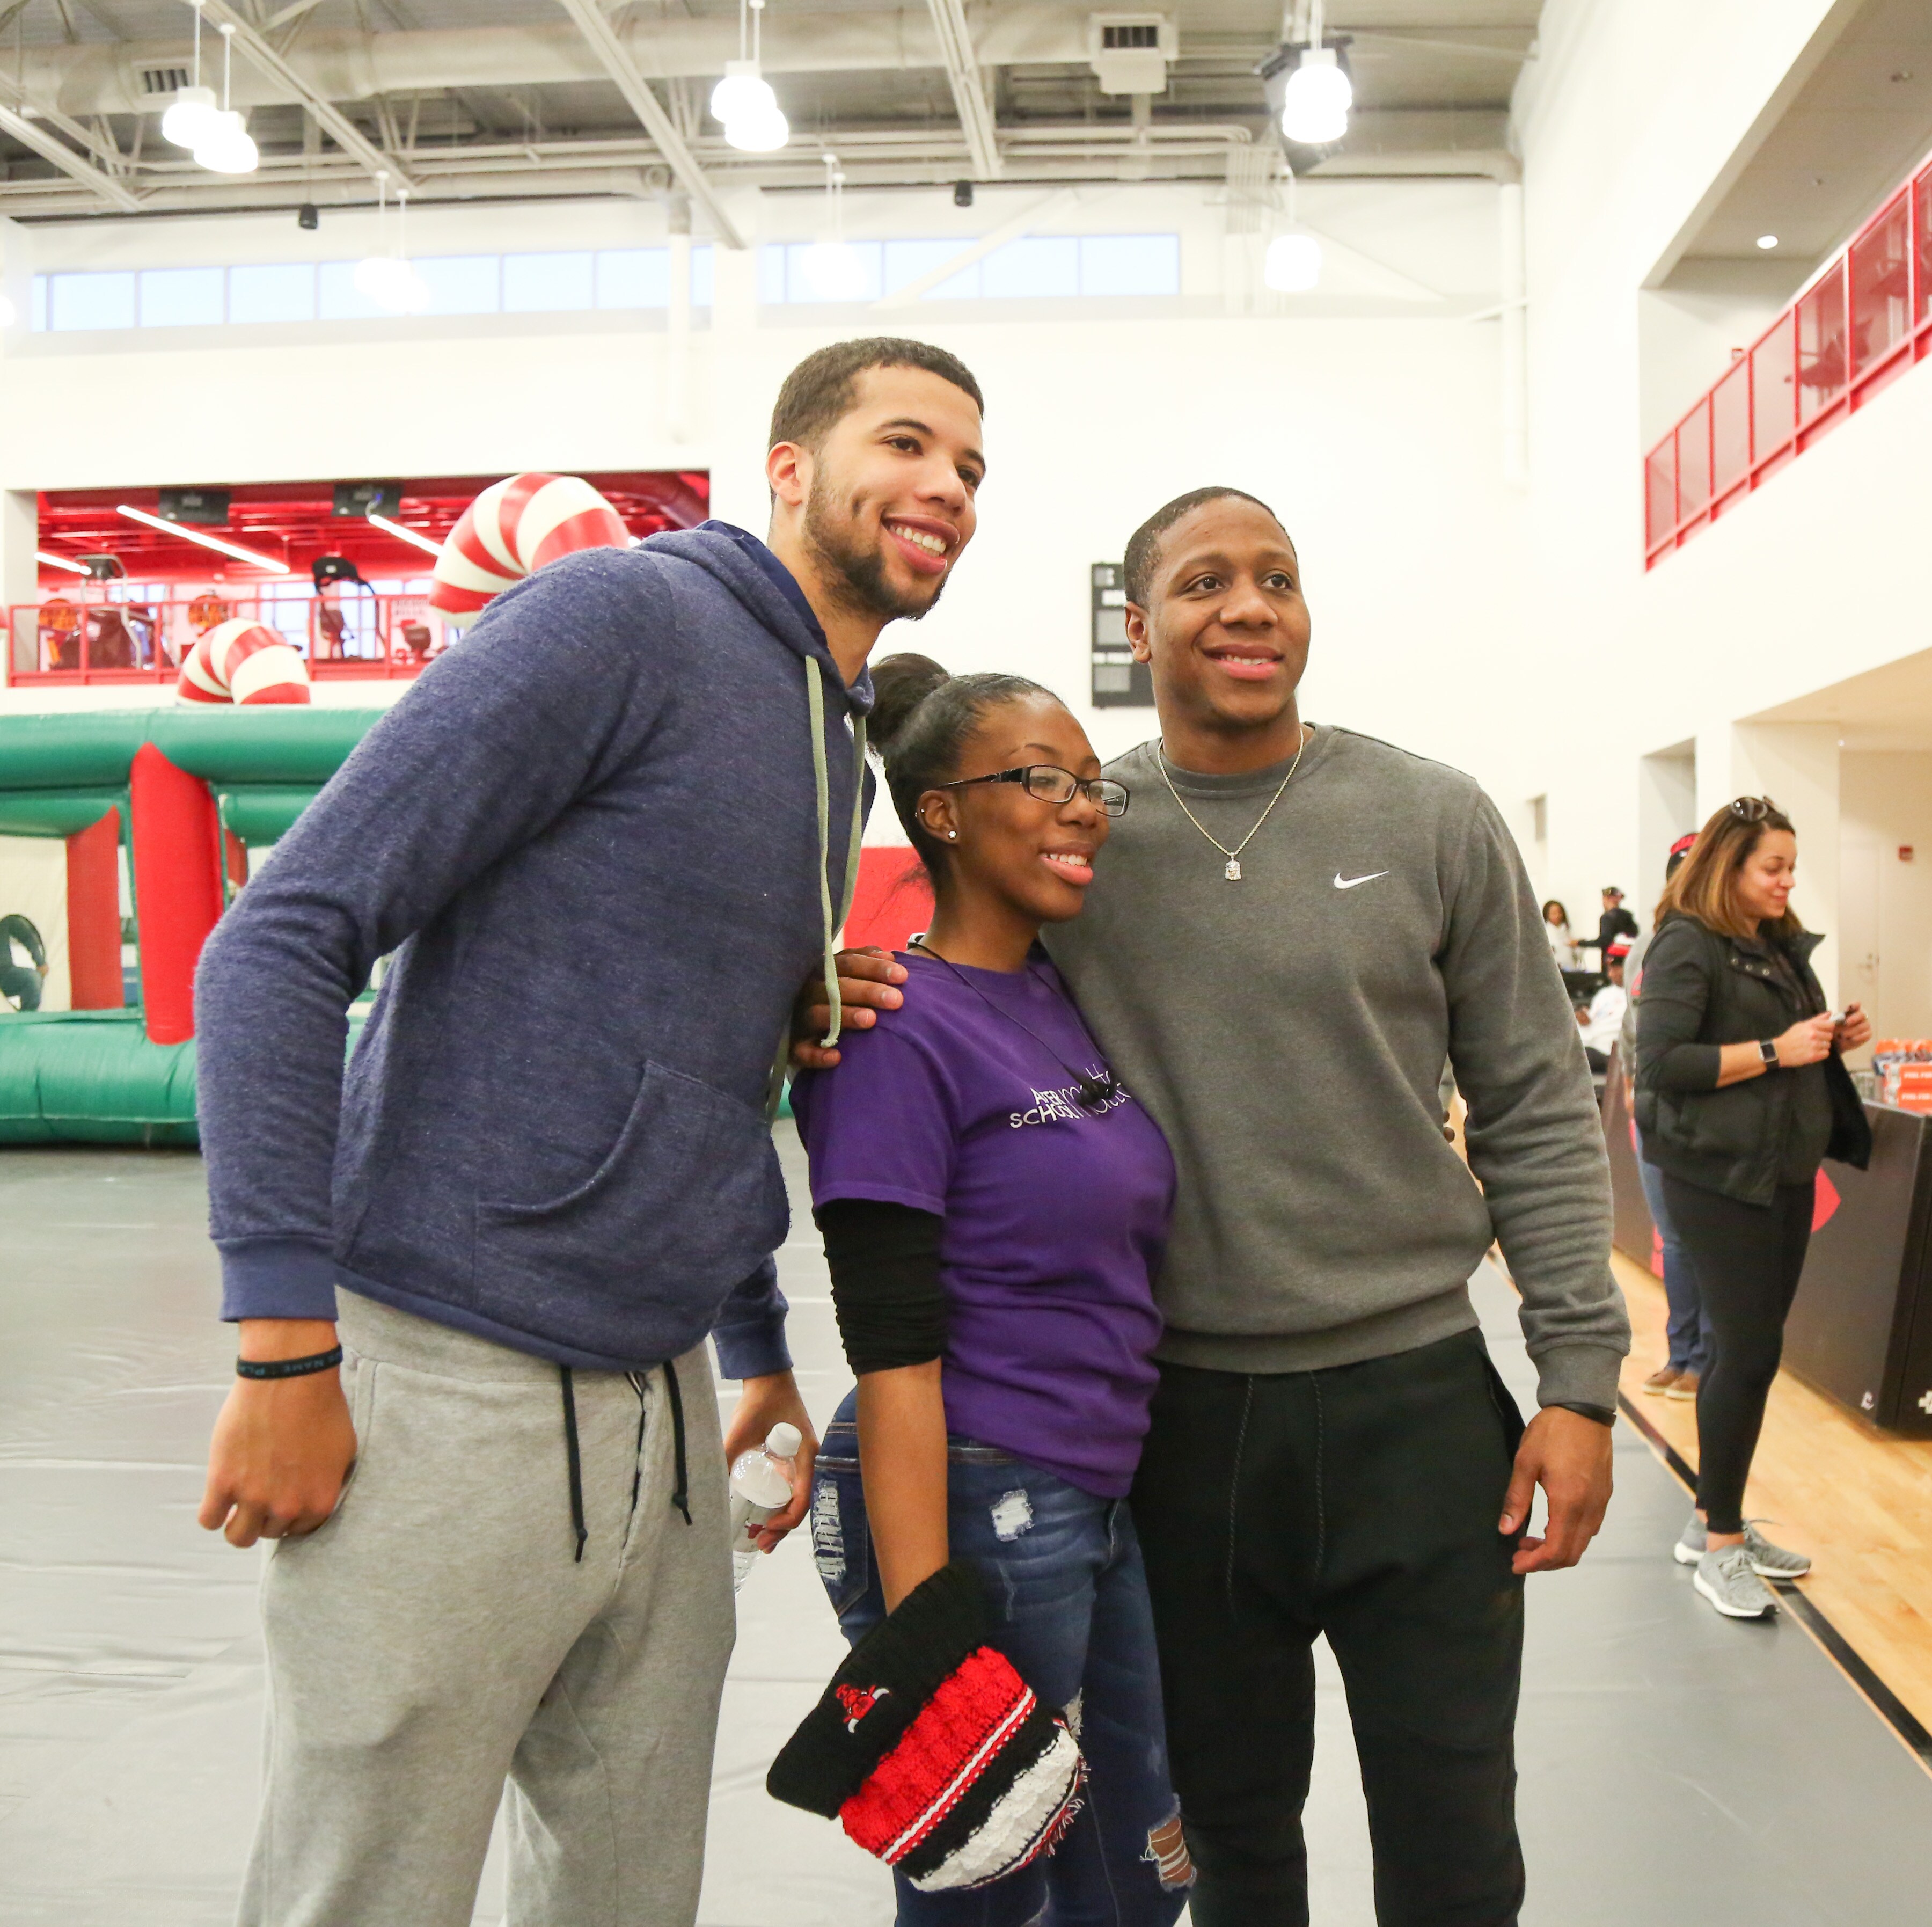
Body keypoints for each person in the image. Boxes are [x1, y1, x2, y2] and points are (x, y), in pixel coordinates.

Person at [192, 335, 987, 1927]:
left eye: (972, 469)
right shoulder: (621, 615)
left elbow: (713, 1048)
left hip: (662, 1411)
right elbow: (280, 938)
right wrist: (283, 1348)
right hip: (446, 1379)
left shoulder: (834, 725)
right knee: (366, 1886)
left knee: (625, 1889)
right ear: (789, 467)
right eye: (908, 443)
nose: (947, 490)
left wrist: (753, 1341)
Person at [811, 486, 1628, 1926]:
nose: (1247, 605)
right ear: (1139, 626)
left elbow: (1540, 1108)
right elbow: (962, 963)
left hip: (1419, 1407)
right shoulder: (1080, 830)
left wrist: (1579, 1378)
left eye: (1277, 577)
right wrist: (826, 980)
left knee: (1454, 1829)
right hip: (1180, 1429)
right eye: (1203, 582)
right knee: (1227, 1828)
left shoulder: (1431, 814)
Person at [792, 655, 1192, 1924]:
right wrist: (925, 1635)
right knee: (984, 1868)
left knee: (1134, 1864)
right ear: (942, 810)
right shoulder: (891, 1027)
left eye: (1088, 782)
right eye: (1039, 777)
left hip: (1098, 1483)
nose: (1082, 805)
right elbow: (890, 1350)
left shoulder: (1051, 988)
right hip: (982, 1487)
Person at [1635, 797, 1871, 1621]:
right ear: (1728, 868)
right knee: (1743, 1351)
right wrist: (1778, 1049)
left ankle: (1715, 1521)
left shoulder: (1771, 945)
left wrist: (1828, 1037)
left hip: (1781, 1169)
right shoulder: (1684, 944)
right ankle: (1721, 1538)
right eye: (1773, 867)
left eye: (1791, 866)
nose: (1787, 880)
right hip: (1719, 1176)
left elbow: (1790, 1043)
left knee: (1755, 1353)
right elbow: (1663, 1063)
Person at [1622, 832, 1708, 1399]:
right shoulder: (1646, 946)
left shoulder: (1727, 945)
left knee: (1706, 1243)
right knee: (1675, 1241)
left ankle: (1707, 1359)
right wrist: (1631, 1085)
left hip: (1705, 1121)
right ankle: (1681, 1354)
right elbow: (1634, 1027)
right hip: (1652, 1115)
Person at [1577, 944, 1628, 1071]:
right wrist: (1584, 1019)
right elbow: (1594, 1019)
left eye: (1616, 969)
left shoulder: (1636, 995)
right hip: (1587, 1045)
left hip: (1608, 1052)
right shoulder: (1604, 994)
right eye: (1610, 969)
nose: (1611, 975)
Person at [1, 912, 48, 1011]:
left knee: (32, 978)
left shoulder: (4, 923)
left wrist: (40, 961)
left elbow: (26, 935)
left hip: (4, 974)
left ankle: (27, 1020)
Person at [1593, 885, 1638, 962]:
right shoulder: (1628, 917)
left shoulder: (1607, 918)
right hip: (1627, 959)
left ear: (1607, 899)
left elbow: (1604, 941)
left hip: (1611, 960)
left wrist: (1580, 943)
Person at [1541, 898, 1579, 969]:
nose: (1558, 916)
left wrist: (1577, 945)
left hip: (1570, 969)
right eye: (1554, 913)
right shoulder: (1545, 932)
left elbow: (1578, 954)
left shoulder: (1569, 931)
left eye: (1560, 913)